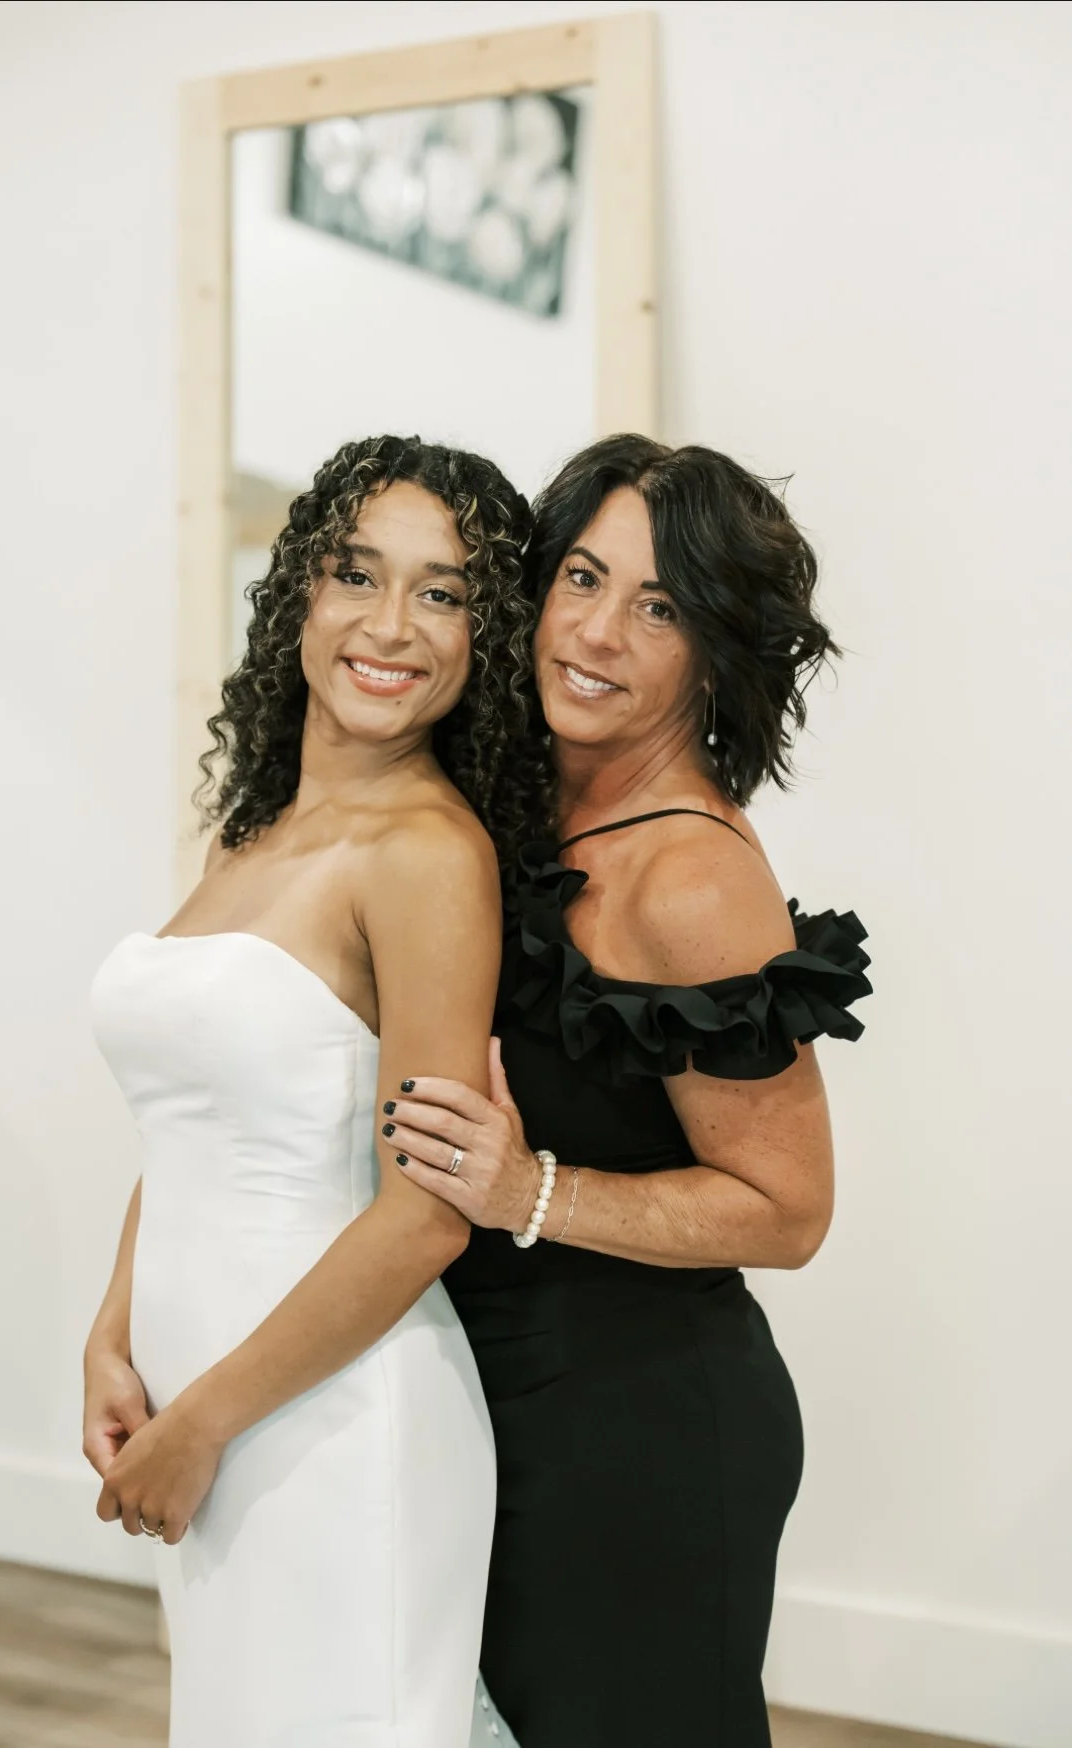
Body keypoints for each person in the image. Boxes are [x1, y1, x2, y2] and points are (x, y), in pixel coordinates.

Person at [387, 435, 873, 1747]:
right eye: (582, 577)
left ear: (712, 650)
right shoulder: (518, 806)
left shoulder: (688, 877)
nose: (595, 633)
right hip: (497, 1399)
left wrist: (521, 1186)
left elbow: (784, 1211)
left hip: (639, 1433)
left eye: (656, 608)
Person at [83, 435, 542, 1748]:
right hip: (206, 1415)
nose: (391, 625)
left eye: (444, 592)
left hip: (332, 1424)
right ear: (300, 592)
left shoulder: (427, 855)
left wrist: (207, 1418)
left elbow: (427, 1211)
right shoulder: (255, 831)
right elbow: (189, 1122)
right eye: (357, 574)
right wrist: (112, 1339)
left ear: (483, 636)